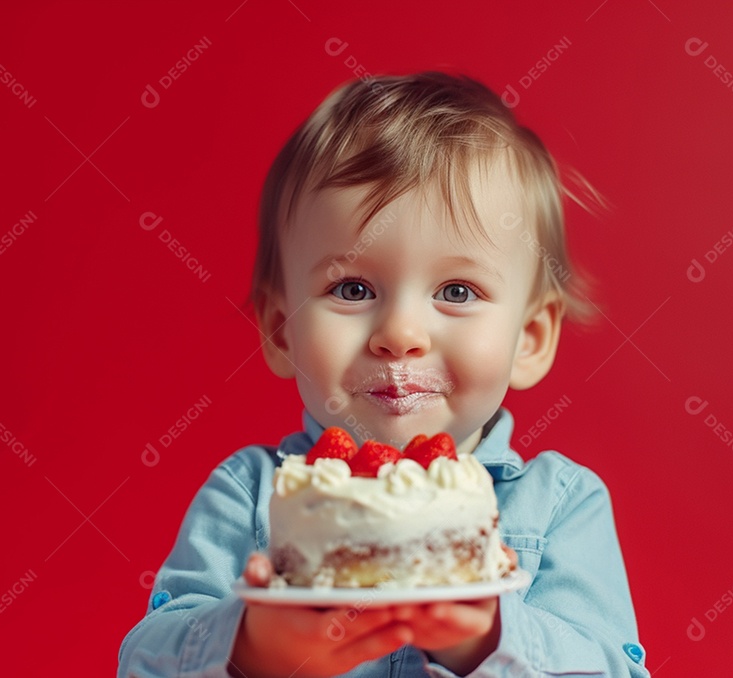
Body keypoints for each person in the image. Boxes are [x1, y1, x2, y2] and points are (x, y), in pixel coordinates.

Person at [118, 71, 649, 677]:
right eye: (352, 288)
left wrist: (488, 638)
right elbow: (143, 661)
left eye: (456, 289)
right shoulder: (247, 496)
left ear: (529, 339)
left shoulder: (561, 506)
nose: (399, 334)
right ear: (280, 330)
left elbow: (612, 667)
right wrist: (247, 650)